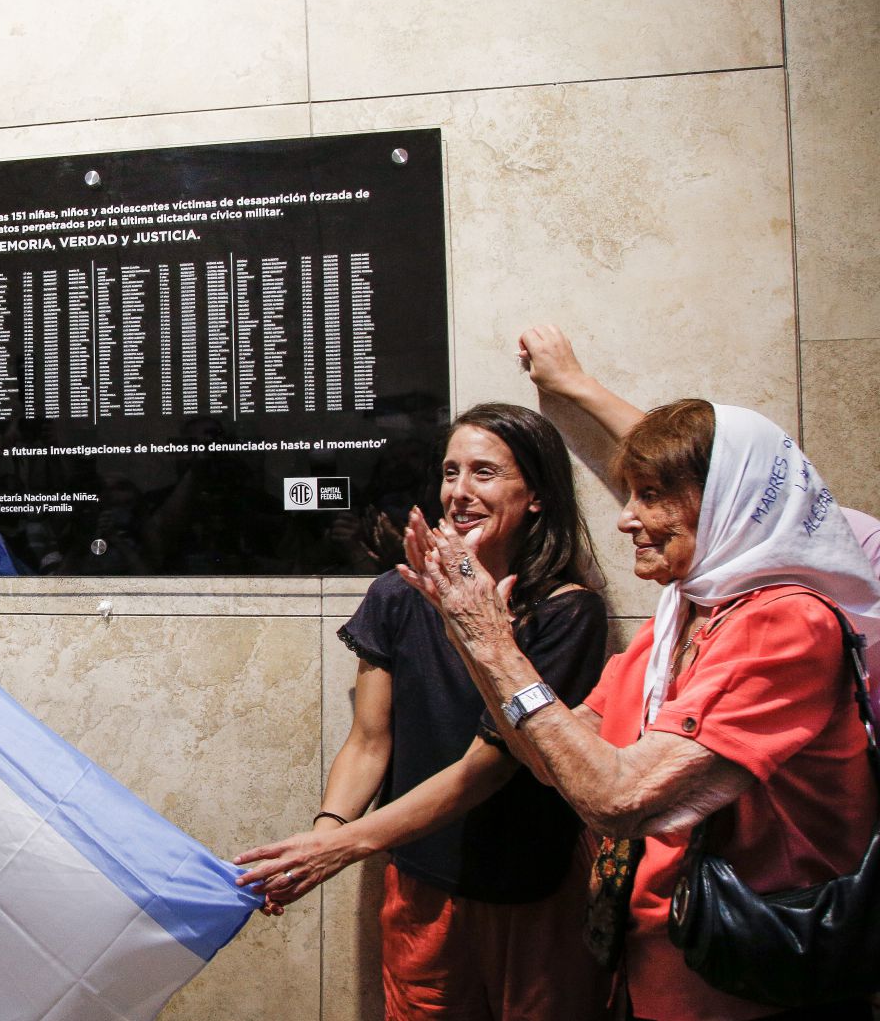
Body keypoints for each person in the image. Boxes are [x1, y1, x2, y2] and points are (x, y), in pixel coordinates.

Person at [400, 399, 880, 1020]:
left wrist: (493, 644)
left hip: (759, 991)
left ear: (730, 501)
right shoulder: (680, 618)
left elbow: (619, 800)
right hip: (664, 973)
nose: (627, 519)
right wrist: (470, 635)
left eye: (651, 494)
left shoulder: (787, 623)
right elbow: (554, 758)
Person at [235, 402, 610, 1020]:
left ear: (537, 495)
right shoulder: (396, 595)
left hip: (530, 885)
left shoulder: (567, 613)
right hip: (420, 882)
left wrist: (347, 845)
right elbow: (368, 741)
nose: (460, 493)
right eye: (450, 472)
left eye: (484, 473)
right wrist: (320, 840)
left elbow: (489, 766)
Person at [518, 324, 880, 569]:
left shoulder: (852, 544)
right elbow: (681, 462)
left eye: (649, 495)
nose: (626, 520)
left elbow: (694, 468)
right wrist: (574, 384)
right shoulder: (701, 593)